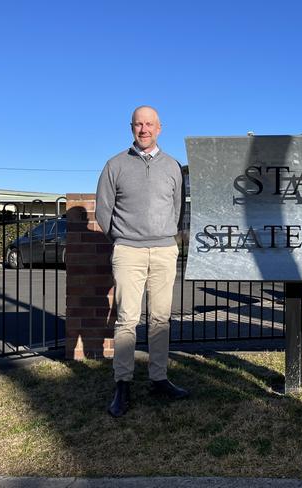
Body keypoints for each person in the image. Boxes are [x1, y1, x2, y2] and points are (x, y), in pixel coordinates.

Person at [96, 106, 188, 418]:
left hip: (164, 251)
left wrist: (166, 237)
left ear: (160, 128)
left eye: (149, 124)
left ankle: (159, 378)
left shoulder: (173, 166)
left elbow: (177, 209)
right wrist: (123, 239)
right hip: (128, 252)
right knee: (127, 320)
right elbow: (104, 210)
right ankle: (123, 383)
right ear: (131, 128)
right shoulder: (115, 165)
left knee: (161, 319)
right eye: (139, 124)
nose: (144, 129)